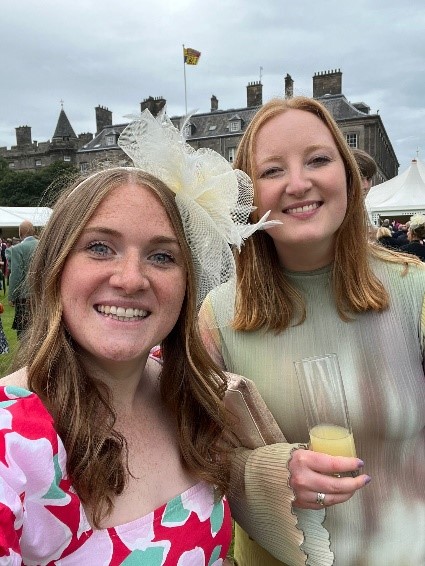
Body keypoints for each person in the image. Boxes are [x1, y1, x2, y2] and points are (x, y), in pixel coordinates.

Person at [0, 110, 273, 564]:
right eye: (100, 247)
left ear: (187, 283)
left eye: (162, 256)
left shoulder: (184, 393)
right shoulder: (12, 442)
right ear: (56, 267)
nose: (131, 278)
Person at [199, 96, 425, 565]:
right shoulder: (219, 316)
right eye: (272, 171)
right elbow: (195, 451)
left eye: (318, 160)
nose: (298, 184)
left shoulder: (415, 292)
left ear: (347, 174)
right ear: (249, 195)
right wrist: (269, 474)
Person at [8, 220, 38, 338]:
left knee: (24, 331)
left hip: (25, 297)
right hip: (42, 294)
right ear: (33, 231)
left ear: (20, 233)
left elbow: (16, 274)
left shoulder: (17, 249)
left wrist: (12, 296)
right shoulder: (43, 245)